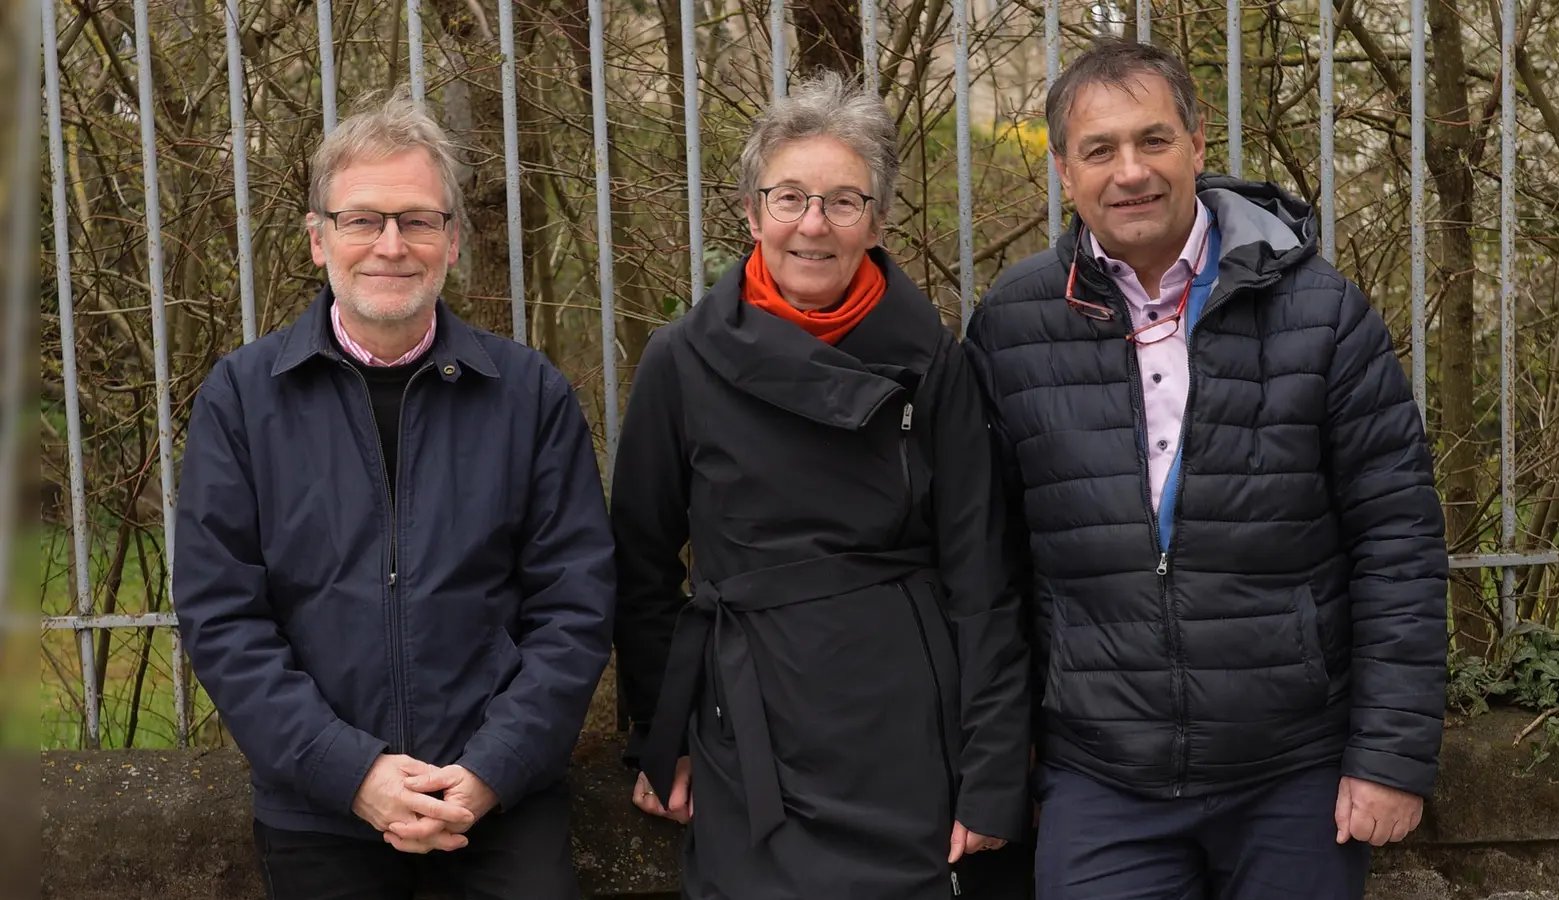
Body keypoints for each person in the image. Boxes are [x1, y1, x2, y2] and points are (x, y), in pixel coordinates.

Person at [964, 38, 1449, 900]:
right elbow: (989, 563)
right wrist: (1002, 759)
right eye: (1099, 150)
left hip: (1293, 776)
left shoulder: (1321, 312)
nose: (1130, 171)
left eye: (1153, 140)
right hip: (1101, 779)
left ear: (1196, 145)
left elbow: (1397, 541)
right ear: (1066, 175)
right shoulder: (1011, 326)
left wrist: (1390, 757)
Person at [173, 89, 616, 900]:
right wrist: (353, 772)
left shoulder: (530, 396)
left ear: (451, 241)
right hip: (322, 811)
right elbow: (221, 614)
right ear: (318, 240)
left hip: (498, 810)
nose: (390, 244)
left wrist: (491, 769)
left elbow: (576, 607)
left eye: (416, 220)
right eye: (362, 219)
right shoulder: (240, 399)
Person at [610, 71, 1031, 899]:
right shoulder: (680, 361)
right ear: (749, 209)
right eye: (790, 197)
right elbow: (642, 567)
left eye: (844, 202)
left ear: (877, 219)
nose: (813, 225)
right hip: (746, 723)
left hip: (907, 727)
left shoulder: (938, 363)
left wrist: (991, 773)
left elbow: (985, 579)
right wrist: (663, 742)